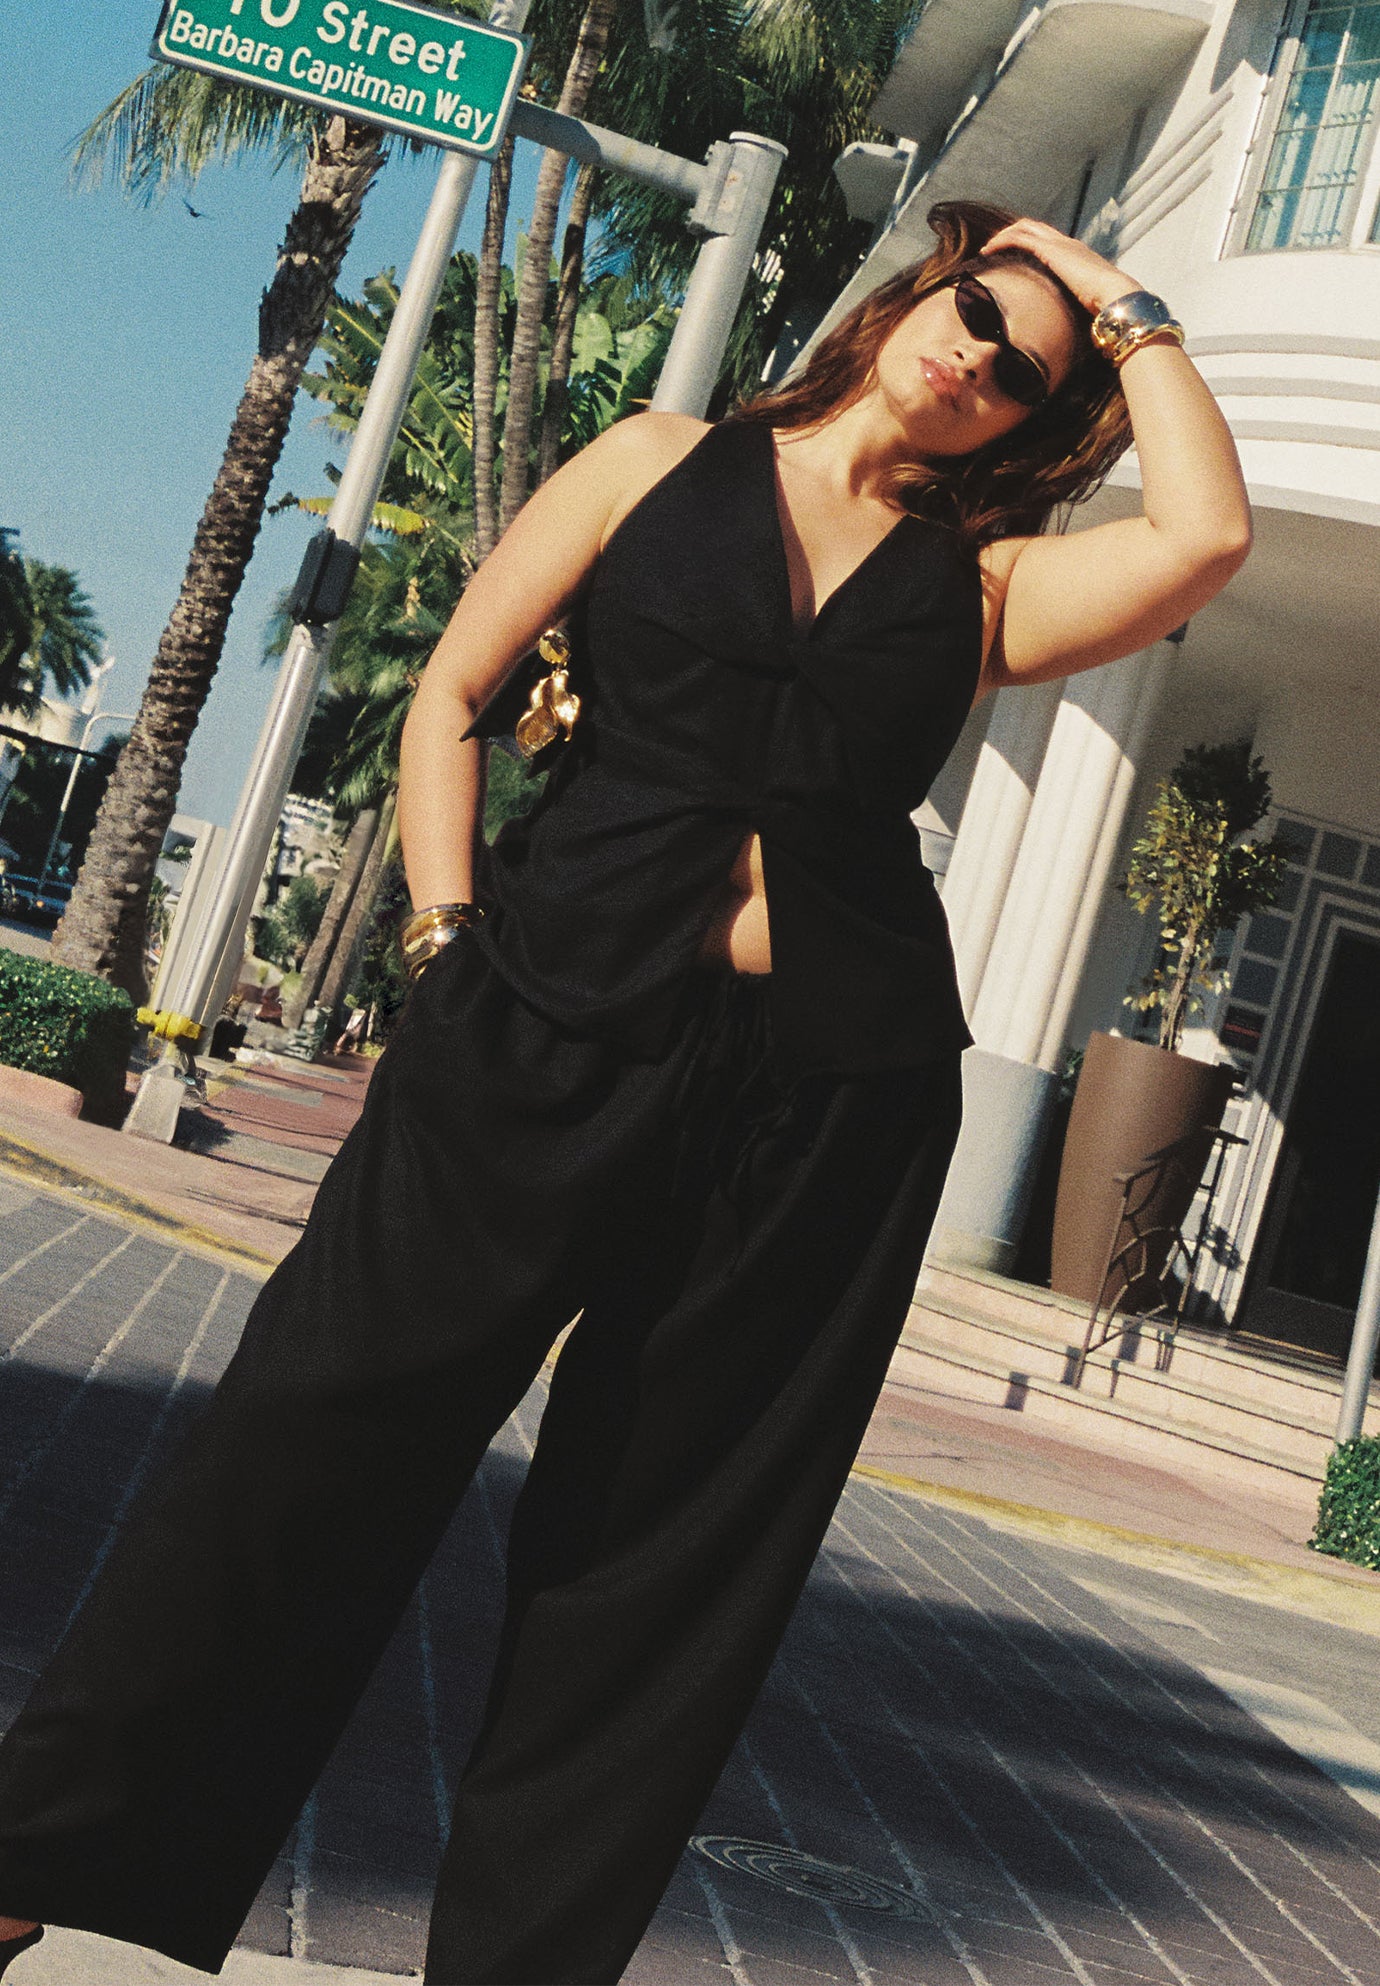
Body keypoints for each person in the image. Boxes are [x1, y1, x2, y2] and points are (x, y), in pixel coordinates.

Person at [0, 202, 1250, 1983]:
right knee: (304, 1434)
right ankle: (35, 1850)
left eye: (1021, 373)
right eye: (977, 308)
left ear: (1027, 424)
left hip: (824, 1105)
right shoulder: (659, 459)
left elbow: (1206, 534)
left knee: (658, 1572)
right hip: (533, 1025)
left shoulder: (980, 590)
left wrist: (1122, 301)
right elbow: (456, 690)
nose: (978, 357)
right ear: (920, 291)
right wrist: (445, 942)